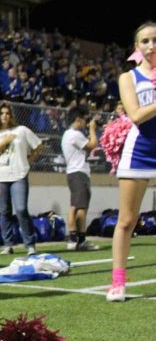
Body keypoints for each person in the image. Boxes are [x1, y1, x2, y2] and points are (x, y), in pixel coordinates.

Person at [109, 21, 156, 301]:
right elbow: (136, 115)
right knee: (127, 220)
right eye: (145, 41)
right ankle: (118, 282)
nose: (152, 46)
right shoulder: (129, 77)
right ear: (136, 47)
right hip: (139, 151)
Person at [0, 103, 43, 255]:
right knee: (4, 211)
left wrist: (29, 161)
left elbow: (38, 146)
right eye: (2, 113)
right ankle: (8, 244)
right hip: (1, 175)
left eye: (7, 113)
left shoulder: (22, 131)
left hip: (19, 174)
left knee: (21, 209)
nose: (5, 116)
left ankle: (30, 244)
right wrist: (4, 142)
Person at [60, 106, 99, 252]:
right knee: (80, 207)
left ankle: (73, 238)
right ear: (78, 119)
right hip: (78, 173)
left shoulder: (67, 134)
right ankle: (79, 239)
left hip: (73, 172)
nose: (86, 123)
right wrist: (92, 130)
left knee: (75, 206)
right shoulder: (75, 134)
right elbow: (92, 145)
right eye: (85, 119)